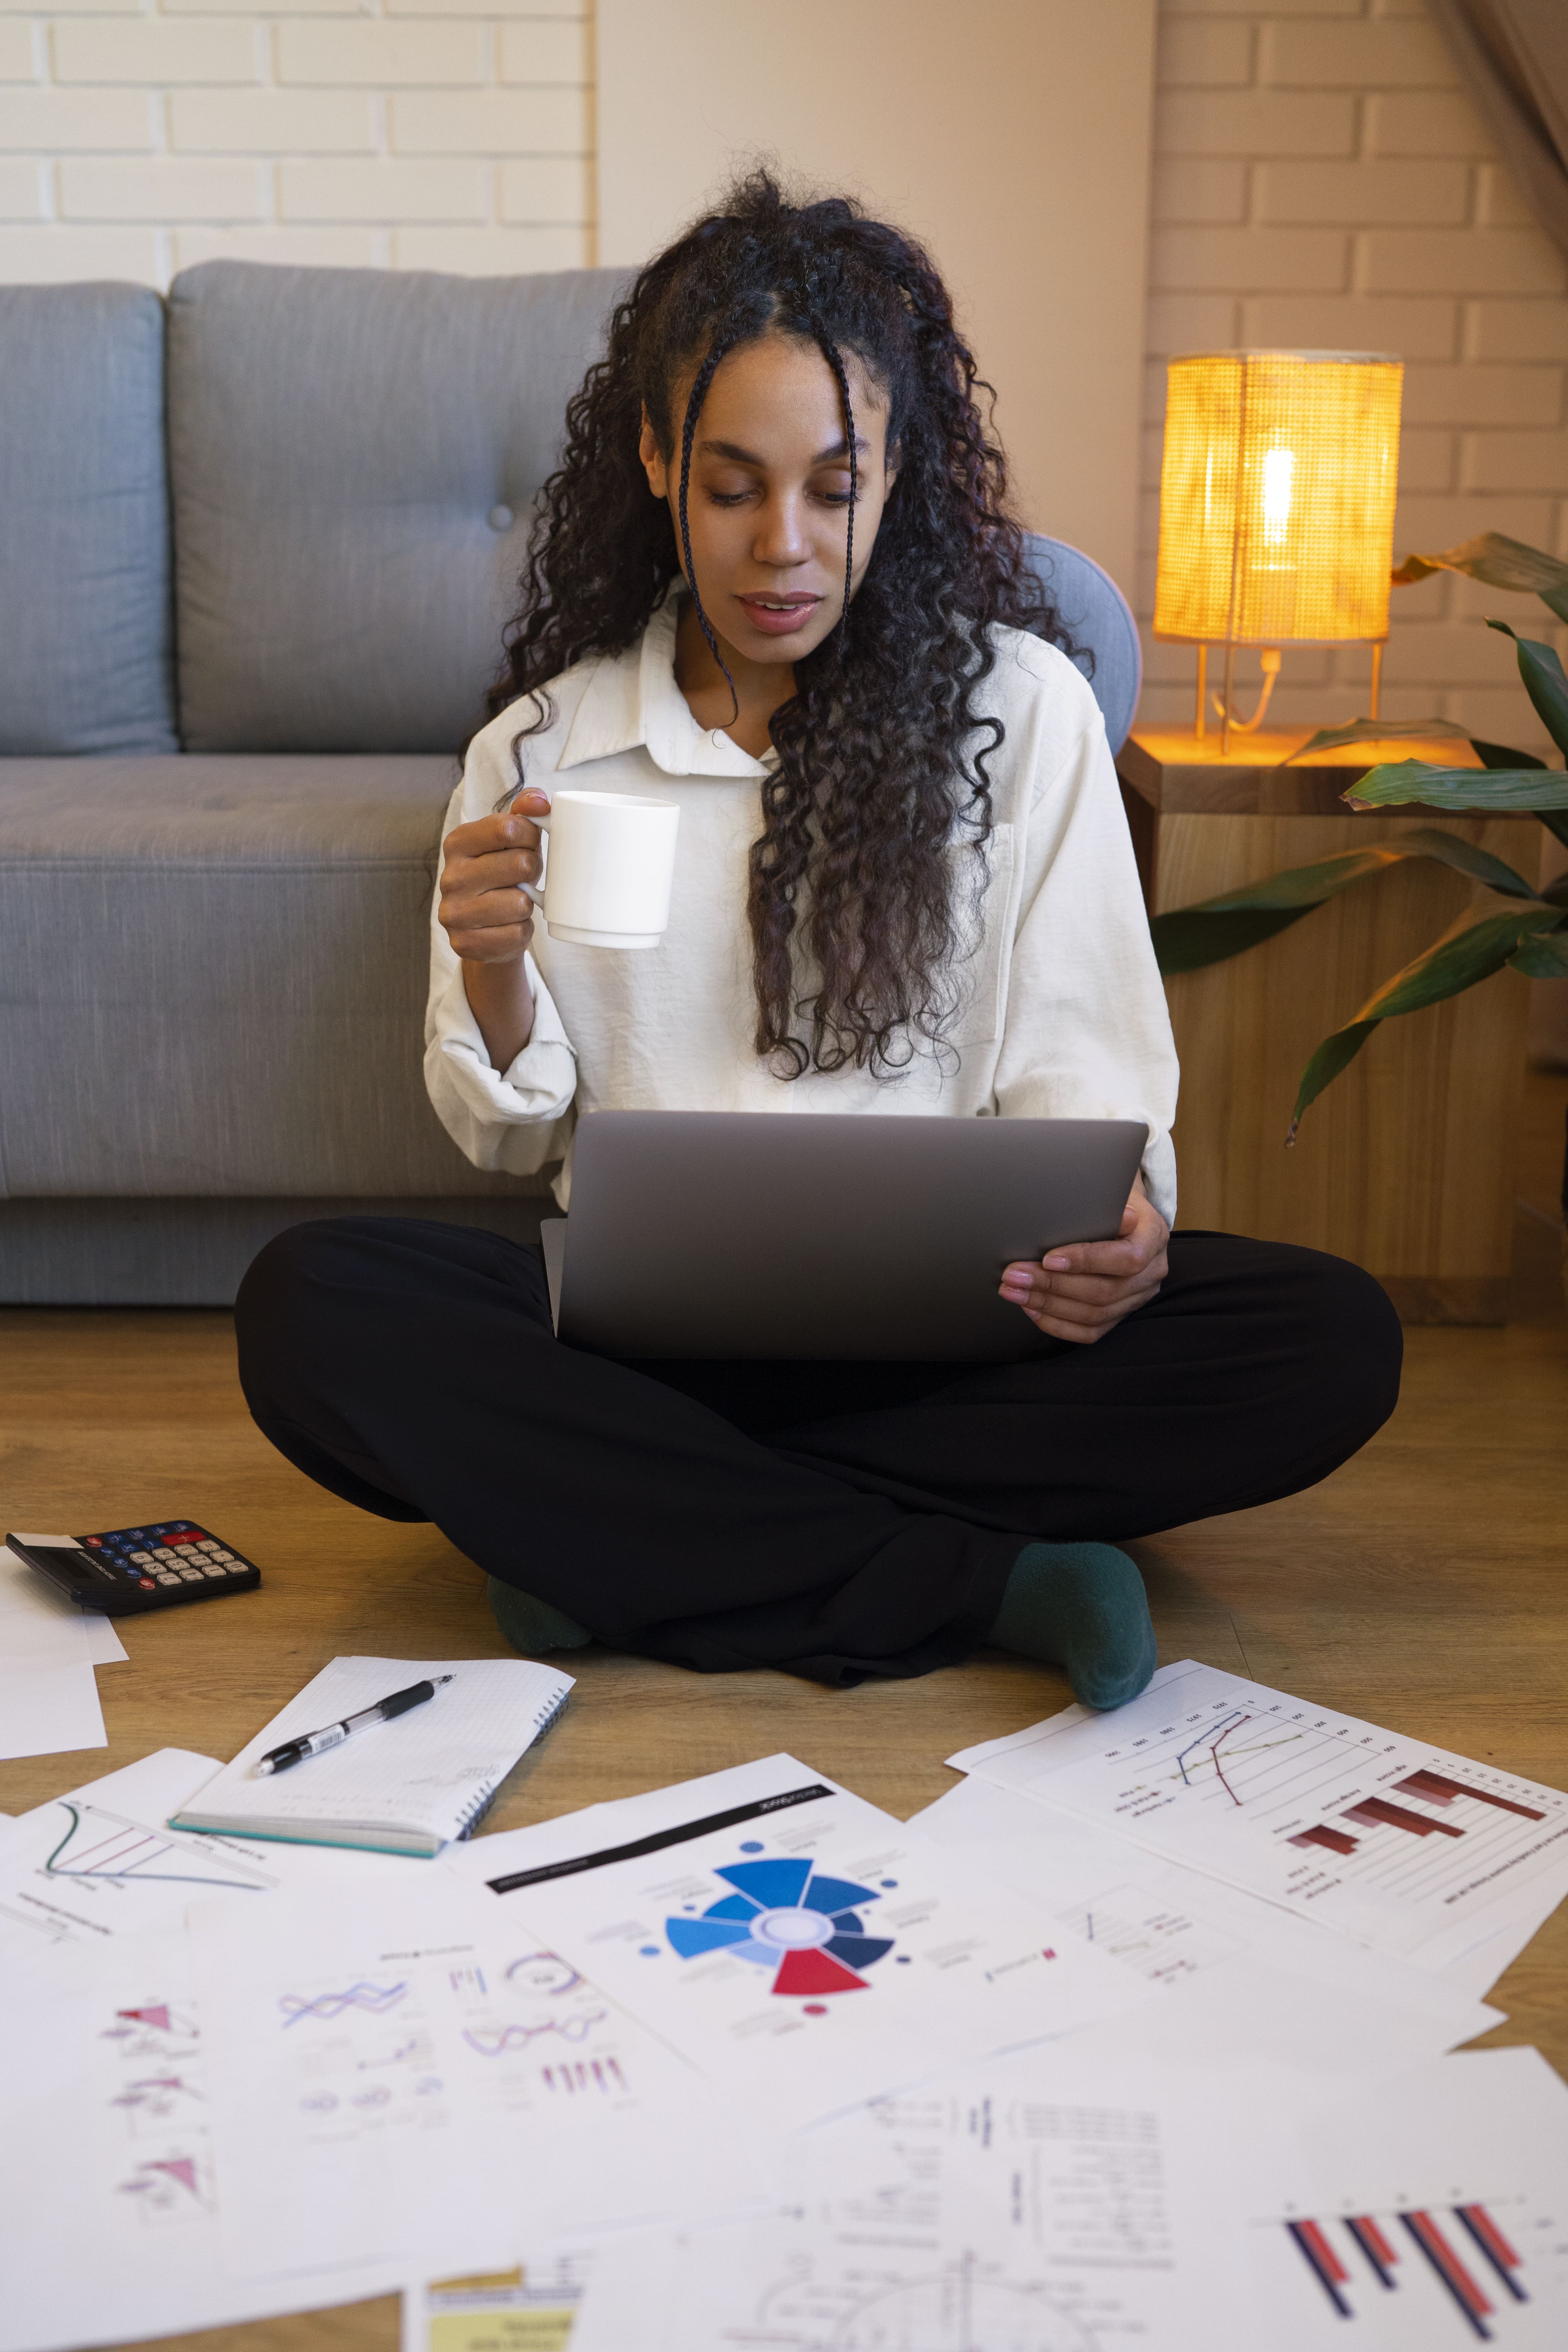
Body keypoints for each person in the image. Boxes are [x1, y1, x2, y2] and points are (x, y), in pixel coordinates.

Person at [235, 174, 1401, 1711]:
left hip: (958, 1346)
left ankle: (621, 1531)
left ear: (898, 470)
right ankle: (981, 1577)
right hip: (650, 1348)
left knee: (1328, 1338)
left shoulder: (1025, 713)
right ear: (655, 460)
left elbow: (1085, 1071)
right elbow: (509, 1147)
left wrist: (1120, 1238)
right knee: (312, 1305)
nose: (781, 547)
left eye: (830, 488)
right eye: (731, 486)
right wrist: (495, 968)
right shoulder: (545, 744)